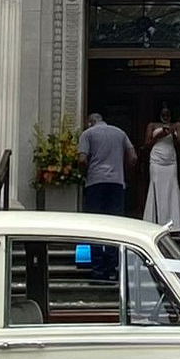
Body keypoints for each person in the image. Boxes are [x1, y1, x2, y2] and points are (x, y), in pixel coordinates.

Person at [76, 112, 135, 281]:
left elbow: (81, 159)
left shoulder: (87, 134)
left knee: (95, 226)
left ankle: (98, 270)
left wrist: (84, 174)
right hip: (116, 183)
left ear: (90, 122)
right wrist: (125, 175)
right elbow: (133, 157)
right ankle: (112, 268)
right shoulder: (120, 133)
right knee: (114, 226)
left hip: (95, 182)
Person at [141, 104, 180, 236]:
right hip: (156, 159)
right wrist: (158, 135)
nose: (165, 116)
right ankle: (155, 221)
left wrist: (173, 133)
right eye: (163, 114)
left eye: (168, 114)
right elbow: (147, 144)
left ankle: (174, 223)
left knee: (172, 188)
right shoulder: (152, 125)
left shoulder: (177, 125)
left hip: (170, 160)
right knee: (155, 187)